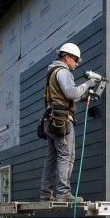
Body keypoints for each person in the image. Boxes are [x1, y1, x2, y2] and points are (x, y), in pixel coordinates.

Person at [39, 43, 100, 202]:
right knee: (66, 156)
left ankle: (46, 194)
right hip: (61, 121)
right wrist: (87, 84)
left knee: (52, 158)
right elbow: (71, 93)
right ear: (67, 58)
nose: (78, 63)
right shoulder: (63, 71)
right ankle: (63, 194)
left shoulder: (53, 72)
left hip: (50, 119)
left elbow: (67, 97)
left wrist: (84, 97)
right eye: (76, 60)